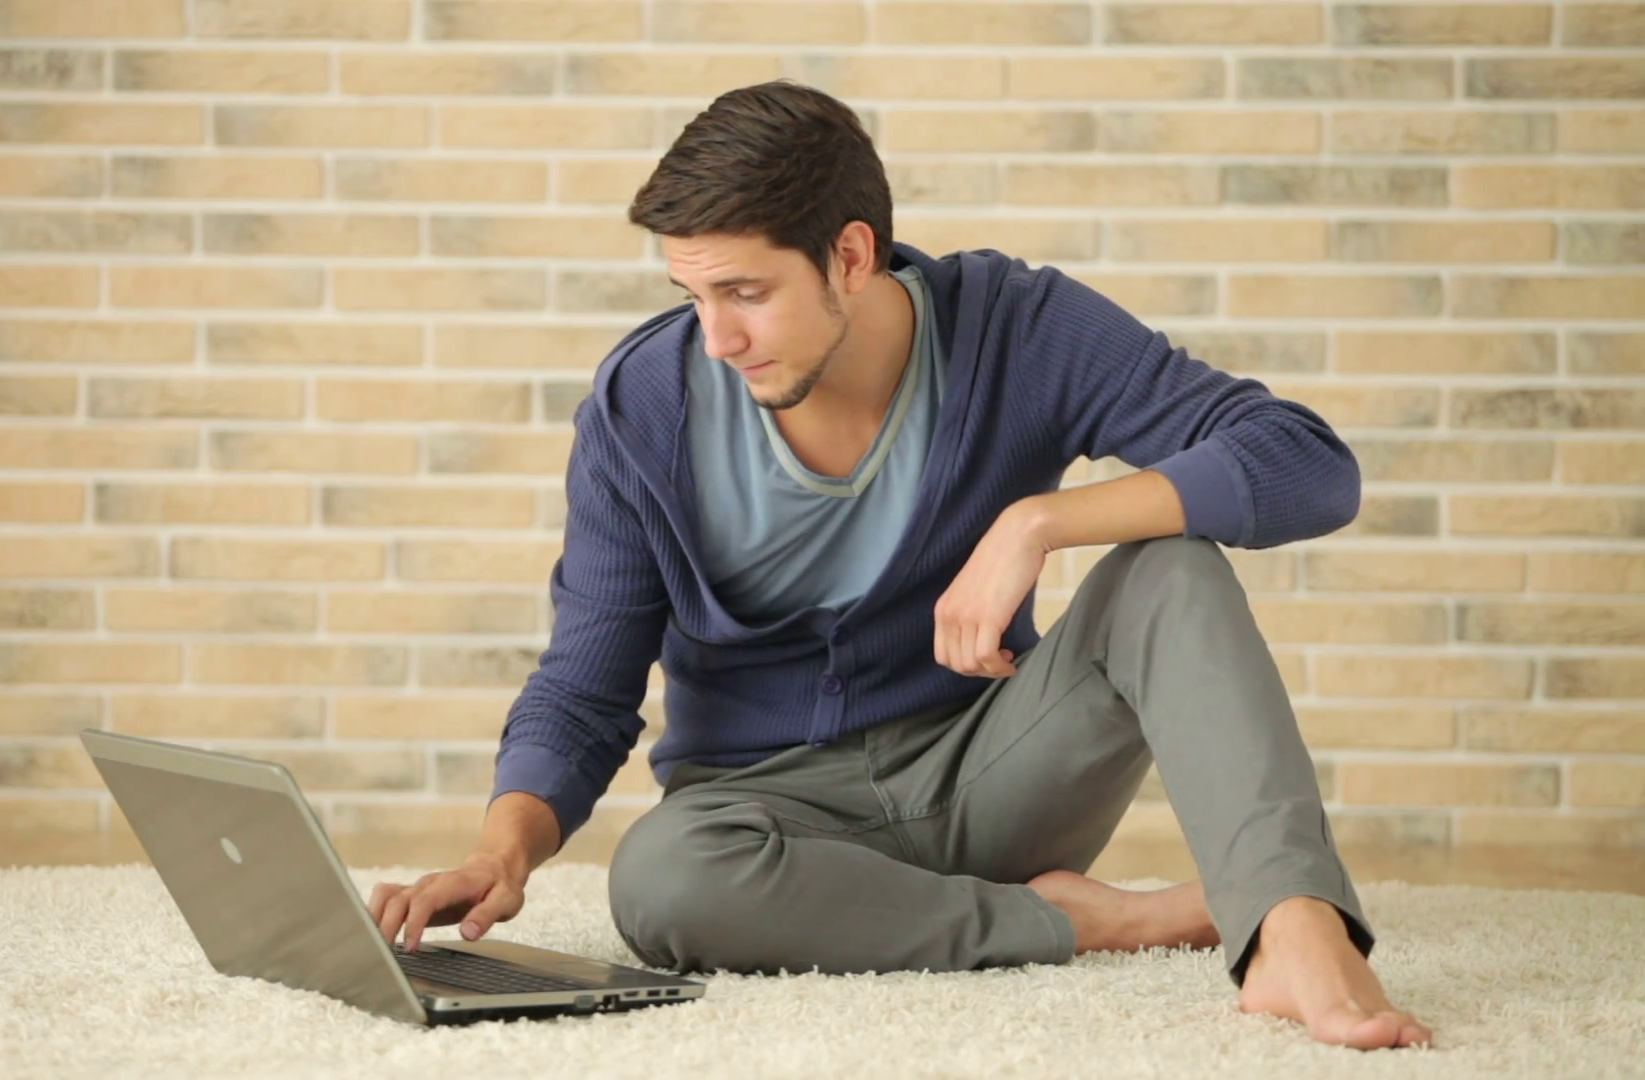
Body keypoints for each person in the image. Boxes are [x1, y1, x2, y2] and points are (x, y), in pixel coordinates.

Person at [367, 80, 1432, 1050]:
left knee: (1172, 572)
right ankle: (1086, 920)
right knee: (659, 878)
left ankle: (1292, 929)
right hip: (766, 822)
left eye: (746, 292)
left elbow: (1305, 463)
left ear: (851, 255)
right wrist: (501, 854)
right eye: (694, 297)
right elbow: (585, 684)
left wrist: (1039, 522)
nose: (719, 338)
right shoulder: (641, 406)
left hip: (991, 774)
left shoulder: (1017, 330)